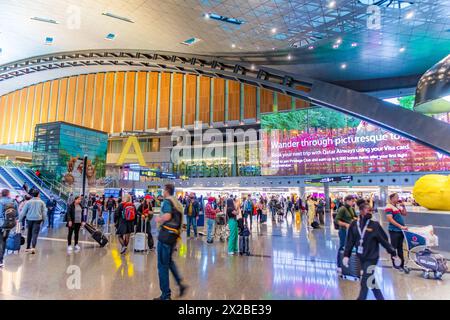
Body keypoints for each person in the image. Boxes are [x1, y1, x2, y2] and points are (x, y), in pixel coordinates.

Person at [343, 202, 401, 300]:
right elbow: (350, 241)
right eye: (368, 210)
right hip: (361, 257)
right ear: (361, 211)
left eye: (371, 210)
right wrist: (346, 255)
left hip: (372, 258)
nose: (370, 212)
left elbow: (384, 241)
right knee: (370, 279)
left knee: (365, 281)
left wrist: (393, 253)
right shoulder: (354, 224)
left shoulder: (375, 225)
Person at [154, 184, 187, 300]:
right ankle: (180, 284)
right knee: (169, 262)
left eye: (163, 190)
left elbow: (167, 216)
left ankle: (165, 295)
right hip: (173, 236)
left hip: (165, 235)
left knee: (162, 265)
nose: (163, 192)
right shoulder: (177, 202)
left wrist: (159, 219)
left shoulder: (167, 201)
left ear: (166, 191)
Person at [385, 193, 408, 272]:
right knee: (393, 248)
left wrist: (404, 206)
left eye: (398, 197)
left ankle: (401, 265)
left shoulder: (397, 206)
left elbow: (405, 214)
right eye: (396, 197)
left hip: (400, 231)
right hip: (394, 231)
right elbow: (390, 219)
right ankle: (395, 265)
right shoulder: (388, 207)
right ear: (391, 198)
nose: (398, 198)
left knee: (400, 248)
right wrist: (400, 226)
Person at [19, 190, 47, 254]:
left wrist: (20, 219)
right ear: (38, 194)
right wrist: (44, 220)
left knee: (29, 233)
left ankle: (27, 248)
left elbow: (23, 212)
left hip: (29, 220)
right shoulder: (42, 202)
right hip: (37, 220)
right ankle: (33, 248)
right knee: (35, 234)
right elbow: (44, 212)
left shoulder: (28, 202)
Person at [334, 195, 357, 273]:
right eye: (352, 201)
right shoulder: (342, 209)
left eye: (353, 201)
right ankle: (339, 265)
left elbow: (354, 217)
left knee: (349, 247)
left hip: (351, 231)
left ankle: (347, 263)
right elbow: (336, 220)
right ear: (347, 200)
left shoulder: (352, 208)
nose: (353, 202)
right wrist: (345, 224)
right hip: (343, 231)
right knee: (342, 246)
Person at [0, 189, 19, 268]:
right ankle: (1, 260)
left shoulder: (0, 202)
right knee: (3, 241)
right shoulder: (14, 202)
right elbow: (17, 215)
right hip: (9, 225)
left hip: (1, 223)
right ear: (8, 194)